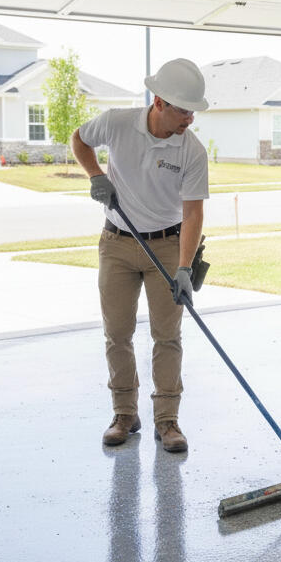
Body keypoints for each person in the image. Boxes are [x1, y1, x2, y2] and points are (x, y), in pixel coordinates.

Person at [71, 58, 209, 453]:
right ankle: (125, 414)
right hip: (116, 243)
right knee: (117, 334)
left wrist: (184, 267)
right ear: (160, 101)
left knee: (167, 337)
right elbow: (79, 139)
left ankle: (167, 421)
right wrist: (96, 175)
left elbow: (193, 211)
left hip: (166, 246)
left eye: (193, 111)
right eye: (184, 110)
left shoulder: (191, 150)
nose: (190, 120)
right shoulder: (116, 122)